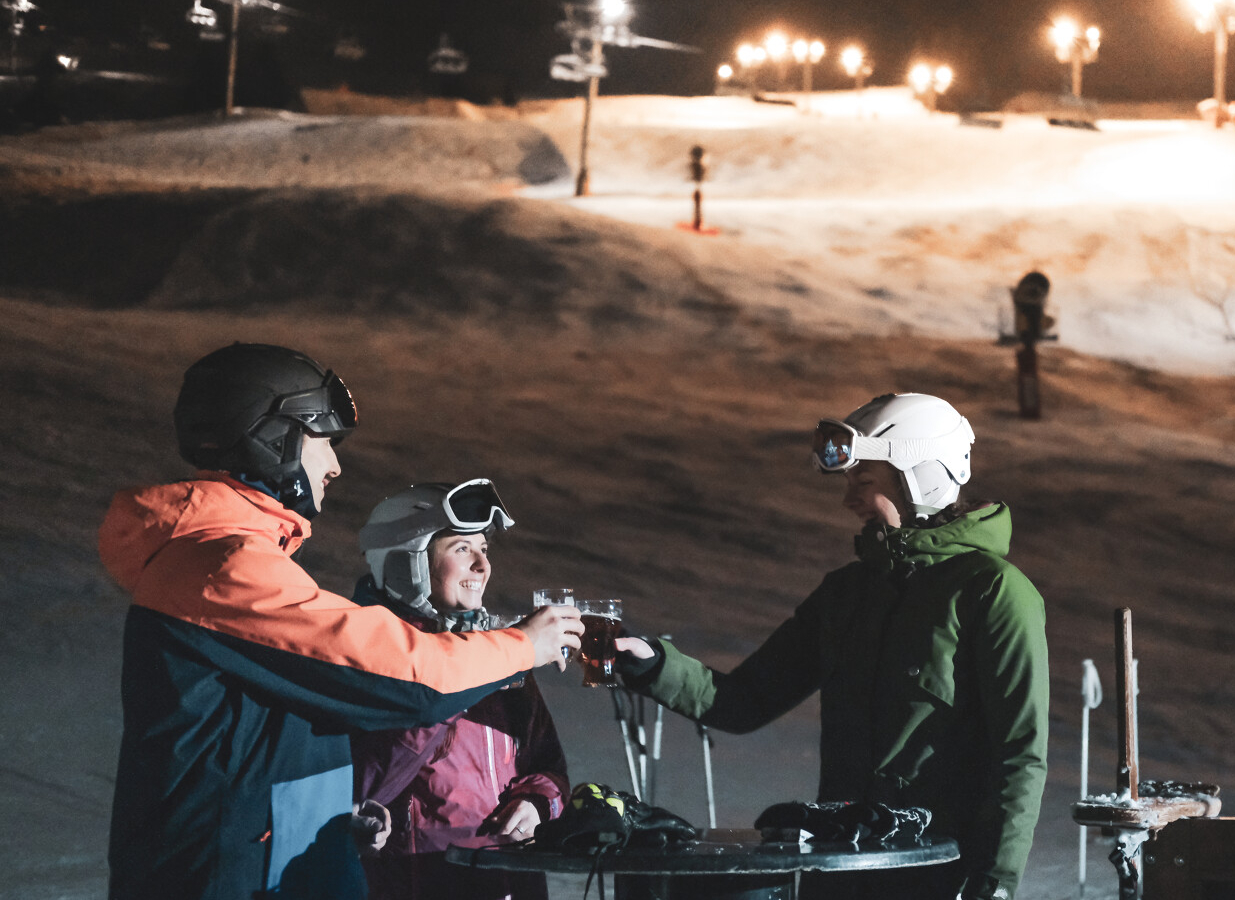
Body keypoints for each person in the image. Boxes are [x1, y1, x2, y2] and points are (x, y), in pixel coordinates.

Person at [98, 343, 583, 900]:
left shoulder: (231, 561)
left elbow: (258, 735)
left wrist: (337, 812)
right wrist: (523, 643)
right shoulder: (226, 565)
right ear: (273, 435)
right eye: (325, 443)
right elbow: (415, 679)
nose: (334, 464)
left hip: (262, 862)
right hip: (226, 876)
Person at [617, 393, 1049, 900]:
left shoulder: (992, 590)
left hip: (937, 870)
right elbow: (746, 700)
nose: (850, 501)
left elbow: (1020, 755)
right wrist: (651, 664)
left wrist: (993, 885)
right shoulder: (847, 592)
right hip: (842, 867)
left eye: (863, 481)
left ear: (920, 476)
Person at [352, 480, 569, 900]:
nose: (482, 566)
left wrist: (538, 803)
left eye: (484, 550)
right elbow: (366, 786)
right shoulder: (364, 654)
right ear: (408, 563)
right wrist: (455, 678)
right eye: (461, 549)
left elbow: (550, 765)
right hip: (418, 882)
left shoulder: (499, 652)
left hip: (508, 881)